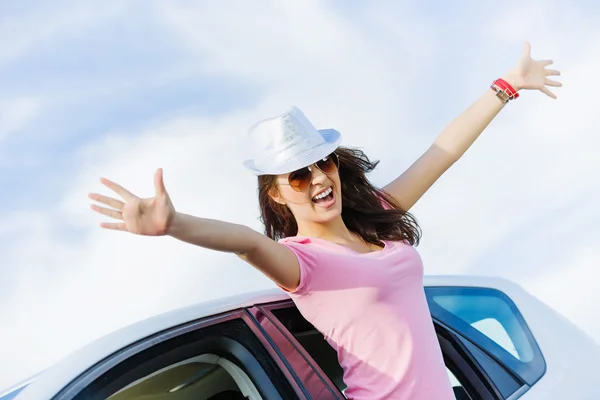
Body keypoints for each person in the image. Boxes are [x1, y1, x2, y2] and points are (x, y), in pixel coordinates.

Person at [88, 42, 561, 399]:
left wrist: (506, 86)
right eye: (298, 173)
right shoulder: (303, 264)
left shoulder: (376, 218)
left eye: (323, 162)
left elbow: (441, 153)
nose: (318, 177)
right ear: (276, 192)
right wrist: (174, 224)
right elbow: (246, 242)